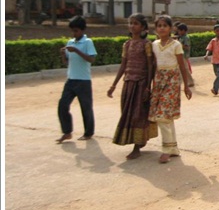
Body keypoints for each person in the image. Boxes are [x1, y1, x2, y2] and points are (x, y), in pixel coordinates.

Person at [107, 13, 158, 160]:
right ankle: (137, 140)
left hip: (140, 84)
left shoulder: (146, 44)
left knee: (138, 115)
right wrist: (114, 85)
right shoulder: (127, 44)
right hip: (128, 83)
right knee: (127, 113)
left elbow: (150, 66)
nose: (132, 26)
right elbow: (123, 65)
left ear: (143, 27)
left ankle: (137, 146)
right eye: (130, 23)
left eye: (135, 23)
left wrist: (148, 86)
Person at [148, 15, 193, 164]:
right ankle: (173, 148)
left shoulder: (176, 45)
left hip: (172, 81)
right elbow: (153, 65)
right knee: (167, 117)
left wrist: (186, 86)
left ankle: (166, 150)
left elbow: (182, 66)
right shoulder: (154, 44)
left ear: (170, 28)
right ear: (156, 29)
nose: (162, 28)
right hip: (158, 81)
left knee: (163, 115)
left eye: (164, 26)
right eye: (159, 26)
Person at [56, 16, 97, 144]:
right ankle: (67, 132)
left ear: (82, 30)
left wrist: (77, 51)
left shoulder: (88, 42)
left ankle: (88, 132)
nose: (74, 33)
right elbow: (67, 63)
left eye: (76, 31)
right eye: (72, 31)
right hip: (71, 79)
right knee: (62, 105)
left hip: (83, 80)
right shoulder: (70, 42)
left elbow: (91, 59)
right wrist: (63, 55)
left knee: (86, 108)